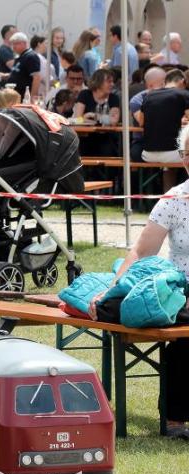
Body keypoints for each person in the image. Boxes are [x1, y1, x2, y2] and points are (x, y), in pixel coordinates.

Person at [87, 124, 189, 439]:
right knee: (183, 337)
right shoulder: (174, 199)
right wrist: (111, 290)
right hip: (181, 291)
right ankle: (175, 419)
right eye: (186, 153)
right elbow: (142, 252)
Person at [136, 71, 189, 192]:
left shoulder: (149, 96)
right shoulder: (184, 94)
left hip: (148, 154)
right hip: (173, 154)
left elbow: (141, 122)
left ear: (165, 82)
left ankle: (169, 194)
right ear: (182, 81)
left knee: (169, 165)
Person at [7, 32, 41, 99]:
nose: (13, 47)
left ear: (24, 43)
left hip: (24, 97)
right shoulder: (20, 57)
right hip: (15, 97)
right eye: (12, 44)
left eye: (16, 44)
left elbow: (36, 78)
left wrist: (32, 97)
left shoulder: (31, 57)